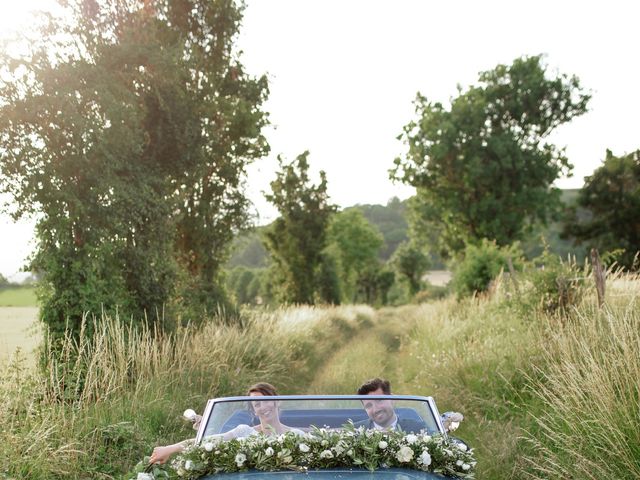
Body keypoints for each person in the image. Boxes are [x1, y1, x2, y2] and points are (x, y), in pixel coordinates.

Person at [149, 382, 303, 464]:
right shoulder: (243, 432)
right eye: (257, 404)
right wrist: (169, 449)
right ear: (253, 411)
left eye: (266, 400)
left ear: (277, 401)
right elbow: (205, 442)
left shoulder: (297, 435)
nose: (263, 407)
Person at [354, 377, 425, 432]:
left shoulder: (419, 428)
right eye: (369, 406)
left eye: (379, 400)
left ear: (392, 399)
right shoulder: (353, 432)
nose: (376, 410)